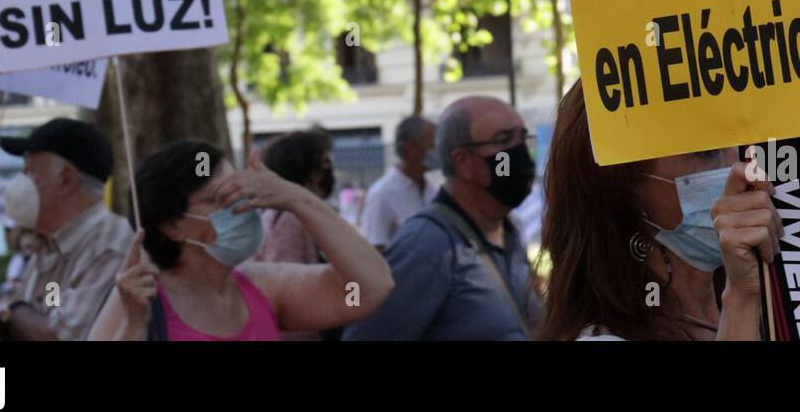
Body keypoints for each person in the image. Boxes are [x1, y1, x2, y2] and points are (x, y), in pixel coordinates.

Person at [537, 80, 782, 341]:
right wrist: (742, 296)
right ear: (624, 189)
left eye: (741, 144)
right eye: (706, 152)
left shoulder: (772, 308)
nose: (739, 168)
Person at [89, 140, 392, 340]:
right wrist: (132, 326)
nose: (243, 206)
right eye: (223, 199)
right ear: (173, 226)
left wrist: (298, 199)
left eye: (242, 192)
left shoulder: (263, 288)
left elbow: (370, 288)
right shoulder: (140, 299)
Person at [343, 96, 540, 340]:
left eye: (523, 138)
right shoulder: (427, 244)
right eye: (504, 140)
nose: (519, 152)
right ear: (463, 162)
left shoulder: (510, 232)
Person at [0, 118, 133, 341]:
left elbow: (59, 337)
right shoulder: (47, 245)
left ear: (65, 179)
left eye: (29, 170)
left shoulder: (110, 246)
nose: (19, 182)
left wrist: (10, 306)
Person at [250, 127, 335, 266]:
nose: (327, 168)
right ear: (310, 174)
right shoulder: (291, 219)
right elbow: (286, 278)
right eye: (323, 162)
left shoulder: (283, 214)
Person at [359, 115, 439, 251]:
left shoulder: (431, 189)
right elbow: (375, 251)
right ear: (411, 148)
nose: (437, 152)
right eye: (432, 146)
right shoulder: (381, 194)